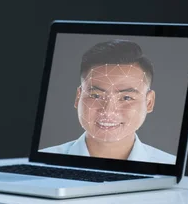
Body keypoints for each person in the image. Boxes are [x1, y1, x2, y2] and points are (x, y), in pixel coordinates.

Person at [41, 39, 176, 164]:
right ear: (78, 97)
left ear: (149, 103)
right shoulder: (43, 161)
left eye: (126, 98)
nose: (108, 111)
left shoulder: (169, 165)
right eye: (96, 96)